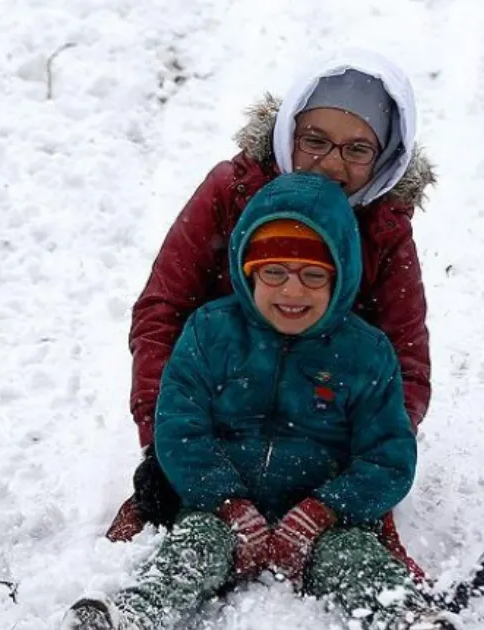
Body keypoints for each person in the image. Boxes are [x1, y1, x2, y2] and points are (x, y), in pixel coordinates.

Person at [60, 173, 466, 630]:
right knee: (193, 546)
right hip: (221, 511)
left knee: (357, 560)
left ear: (341, 276)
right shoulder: (210, 333)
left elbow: (388, 457)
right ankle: (129, 624)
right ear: (247, 270)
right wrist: (227, 502)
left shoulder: (366, 354)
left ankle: (411, 629)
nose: (292, 290)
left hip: (325, 520)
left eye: (313, 275)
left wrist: (324, 511)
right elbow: (180, 430)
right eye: (274, 271)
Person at [105, 48, 436, 584]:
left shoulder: (384, 226)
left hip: (324, 420)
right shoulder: (233, 192)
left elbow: (406, 361)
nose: (332, 164)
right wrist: (162, 437)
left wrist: (359, 466)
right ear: (288, 132)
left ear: (385, 158)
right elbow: (162, 311)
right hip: (224, 403)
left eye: (357, 149)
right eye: (315, 141)